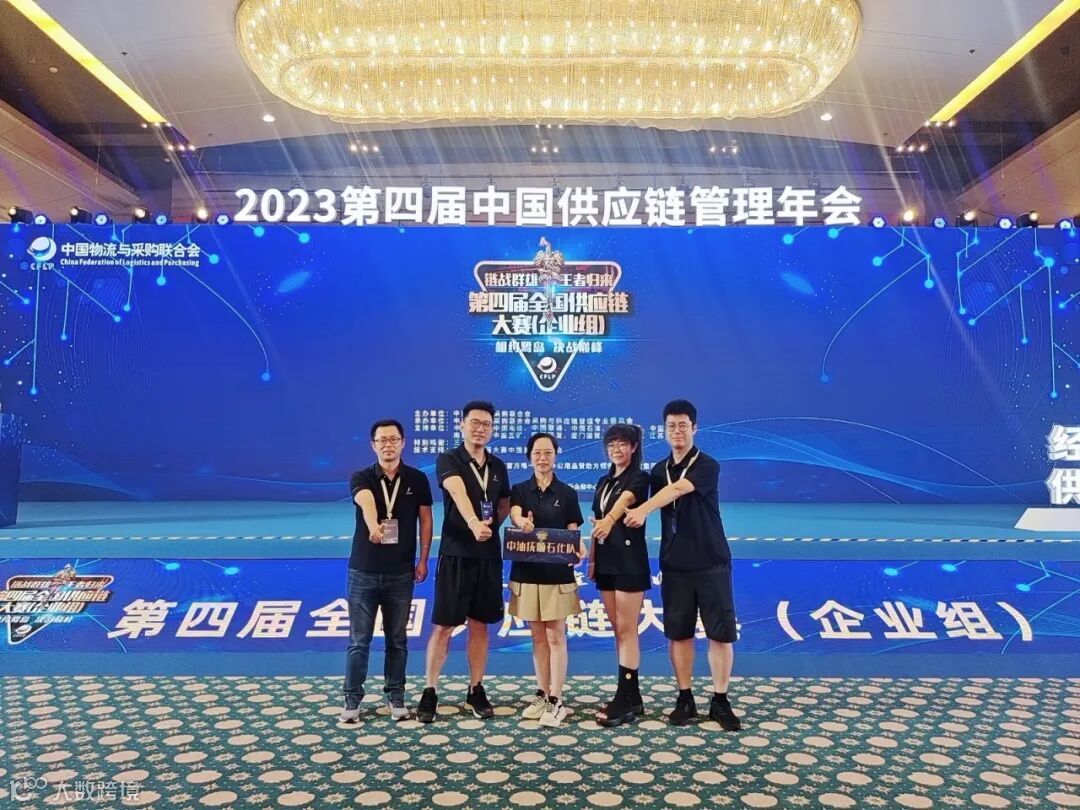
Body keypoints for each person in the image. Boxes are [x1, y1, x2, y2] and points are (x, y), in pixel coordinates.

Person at [624, 400, 742, 731]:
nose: (677, 431)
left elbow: (678, 490)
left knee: (720, 634)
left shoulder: (707, 465)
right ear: (664, 431)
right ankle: (685, 698)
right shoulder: (658, 470)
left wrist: (643, 510)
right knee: (679, 634)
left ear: (694, 428)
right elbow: (634, 493)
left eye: (683, 425)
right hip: (674, 564)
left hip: (711, 560)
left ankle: (720, 700)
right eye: (672, 426)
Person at [418, 401, 511, 723]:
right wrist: (473, 522)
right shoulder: (449, 459)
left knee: (480, 625)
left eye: (486, 424)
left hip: (488, 557)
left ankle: (476, 688)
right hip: (456, 553)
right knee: (444, 626)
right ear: (462, 425)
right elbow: (456, 491)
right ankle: (430, 690)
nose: (480, 429)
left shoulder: (498, 466)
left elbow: (503, 504)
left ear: (492, 429)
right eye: (475, 422)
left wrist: (491, 528)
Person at [341, 419, 433, 723]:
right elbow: (365, 500)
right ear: (373, 445)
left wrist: (423, 559)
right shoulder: (362, 477)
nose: (388, 445)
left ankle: (396, 696)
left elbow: (426, 521)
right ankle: (352, 698)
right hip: (363, 572)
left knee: (397, 640)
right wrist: (373, 527)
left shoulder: (417, 479)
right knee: (359, 641)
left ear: (403, 442)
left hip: (401, 573)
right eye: (382, 440)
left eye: (394, 439)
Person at [508, 432, 585, 727]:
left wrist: (579, 546)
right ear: (529, 457)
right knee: (538, 637)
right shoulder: (519, 490)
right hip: (527, 574)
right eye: (537, 453)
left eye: (548, 452)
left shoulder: (567, 493)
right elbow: (515, 513)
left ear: (556, 455)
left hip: (557, 574)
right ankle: (541, 693)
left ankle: (556, 699)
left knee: (555, 636)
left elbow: (573, 529)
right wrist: (521, 522)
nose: (542, 458)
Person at [589, 423, 651, 727]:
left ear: (634, 447)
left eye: (623, 443)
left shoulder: (639, 477)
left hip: (629, 562)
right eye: (611, 443)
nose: (616, 448)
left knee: (627, 630)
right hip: (606, 562)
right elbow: (596, 521)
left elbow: (624, 502)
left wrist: (610, 520)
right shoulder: (603, 481)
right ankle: (633, 694)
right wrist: (592, 560)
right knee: (618, 630)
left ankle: (624, 699)